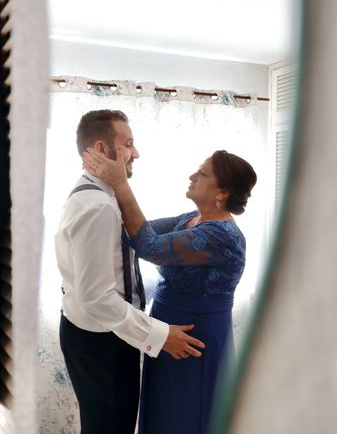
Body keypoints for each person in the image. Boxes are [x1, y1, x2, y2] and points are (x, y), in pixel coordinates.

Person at [83, 146, 257, 434]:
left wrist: (120, 184)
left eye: (201, 174)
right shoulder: (193, 218)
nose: (192, 176)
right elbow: (137, 231)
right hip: (166, 329)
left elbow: (149, 246)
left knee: (186, 416)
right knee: (163, 414)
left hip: (194, 336)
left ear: (222, 193)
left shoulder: (220, 236)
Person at [55, 109, 206, 434]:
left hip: (99, 333)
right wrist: (160, 336)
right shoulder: (97, 207)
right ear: (101, 149)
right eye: (129, 144)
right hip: (101, 341)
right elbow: (96, 298)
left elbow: (119, 265)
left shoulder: (100, 196)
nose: (136, 153)